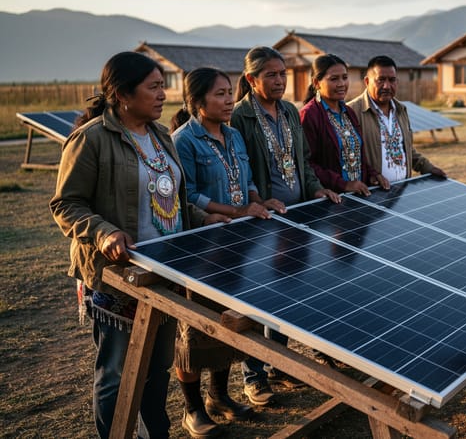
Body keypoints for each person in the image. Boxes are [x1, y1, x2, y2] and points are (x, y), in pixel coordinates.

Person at [49, 52, 229, 438]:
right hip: (118, 277)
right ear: (122, 93)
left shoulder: (161, 135)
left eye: (164, 86)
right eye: (154, 87)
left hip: (163, 272)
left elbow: (172, 197)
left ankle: (156, 432)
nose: (164, 94)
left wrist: (201, 218)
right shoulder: (92, 139)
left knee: (157, 367)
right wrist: (104, 232)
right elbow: (65, 204)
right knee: (117, 373)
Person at [230, 46, 340, 407]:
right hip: (261, 220)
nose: (279, 81)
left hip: (298, 216)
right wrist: (257, 202)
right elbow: (240, 168)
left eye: (283, 74)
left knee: (289, 288)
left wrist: (315, 188)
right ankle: (254, 374)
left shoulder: (290, 111)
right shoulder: (240, 118)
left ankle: (278, 362)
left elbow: (303, 161)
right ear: (251, 79)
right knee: (259, 294)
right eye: (271, 75)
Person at [170, 67, 276, 436]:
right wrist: (232, 212)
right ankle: (193, 408)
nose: (229, 99)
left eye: (230, 92)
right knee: (194, 331)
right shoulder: (184, 140)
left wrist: (260, 201)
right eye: (219, 94)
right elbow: (188, 194)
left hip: (237, 245)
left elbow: (245, 182)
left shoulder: (233, 136)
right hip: (203, 248)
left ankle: (220, 396)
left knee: (226, 324)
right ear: (197, 102)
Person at [347, 55, 447, 183]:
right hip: (372, 192)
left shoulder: (401, 110)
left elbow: (406, 149)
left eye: (392, 80)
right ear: (367, 81)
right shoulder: (351, 111)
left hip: (402, 191)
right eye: (381, 80)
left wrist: (428, 168)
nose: (387, 86)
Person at [299, 53, 389, 195]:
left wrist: (373, 174)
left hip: (358, 194)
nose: (341, 84)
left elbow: (357, 154)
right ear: (316, 83)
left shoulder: (349, 112)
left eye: (345, 77)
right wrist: (343, 184)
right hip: (330, 199)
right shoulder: (310, 115)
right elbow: (307, 164)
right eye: (334, 79)